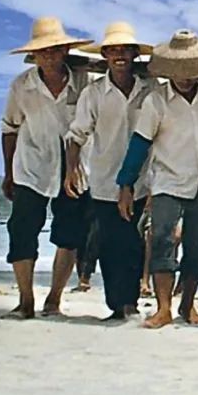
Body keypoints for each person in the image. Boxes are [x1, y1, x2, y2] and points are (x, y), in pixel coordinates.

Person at [116, 30, 198, 329]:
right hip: (167, 182)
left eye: (191, 70)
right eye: (178, 71)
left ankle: (188, 304)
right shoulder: (156, 101)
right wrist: (126, 185)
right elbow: (139, 144)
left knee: (197, 246)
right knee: (162, 242)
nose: (184, 77)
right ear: (168, 70)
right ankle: (163, 308)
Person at [0, 17, 93, 319]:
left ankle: (54, 300)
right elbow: (10, 128)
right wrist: (8, 172)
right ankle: (25, 300)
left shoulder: (85, 82)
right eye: (43, 51)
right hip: (31, 165)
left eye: (54, 50)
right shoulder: (22, 86)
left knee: (69, 235)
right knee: (21, 231)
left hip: (75, 169)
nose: (49, 56)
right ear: (33, 55)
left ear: (65, 51)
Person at [65, 21, 157, 321]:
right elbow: (77, 135)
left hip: (143, 180)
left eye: (125, 50)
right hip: (104, 180)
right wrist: (71, 169)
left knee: (133, 243)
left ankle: (129, 302)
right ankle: (118, 305)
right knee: (110, 245)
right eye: (113, 50)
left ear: (134, 54)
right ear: (105, 55)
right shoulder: (94, 93)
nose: (119, 55)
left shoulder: (151, 90)